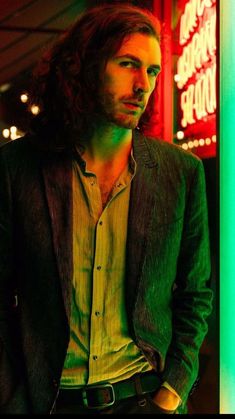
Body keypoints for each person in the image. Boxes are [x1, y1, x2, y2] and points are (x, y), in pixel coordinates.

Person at [0, 3, 213, 415]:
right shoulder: (18, 169)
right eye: (128, 64)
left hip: (146, 397)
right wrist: (12, 396)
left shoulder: (180, 173)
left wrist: (172, 393)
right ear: (87, 66)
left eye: (151, 71)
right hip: (49, 401)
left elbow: (196, 295)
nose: (143, 85)